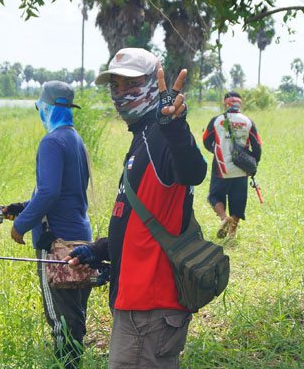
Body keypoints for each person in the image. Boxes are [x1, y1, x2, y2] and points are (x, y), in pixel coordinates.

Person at [66, 48, 207, 368]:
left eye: (131, 83)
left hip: (151, 308)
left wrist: (176, 127)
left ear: (151, 84)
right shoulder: (142, 137)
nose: (121, 94)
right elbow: (140, 220)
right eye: (114, 85)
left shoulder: (162, 135)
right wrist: (100, 249)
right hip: (138, 303)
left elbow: (194, 172)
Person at [2, 80, 92, 369]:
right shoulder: (75, 139)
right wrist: (21, 209)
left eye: (40, 106)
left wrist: (21, 226)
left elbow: (49, 192)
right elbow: (63, 194)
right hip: (81, 238)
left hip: (57, 245)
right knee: (75, 312)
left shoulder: (52, 141)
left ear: (47, 107)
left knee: (60, 320)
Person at [201, 90, 262, 239]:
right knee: (238, 200)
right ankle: (232, 233)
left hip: (221, 167)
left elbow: (206, 141)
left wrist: (215, 151)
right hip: (241, 169)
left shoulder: (216, 120)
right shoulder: (248, 122)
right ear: (240, 104)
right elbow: (258, 146)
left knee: (215, 196)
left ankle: (223, 218)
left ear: (225, 103)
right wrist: (252, 163)